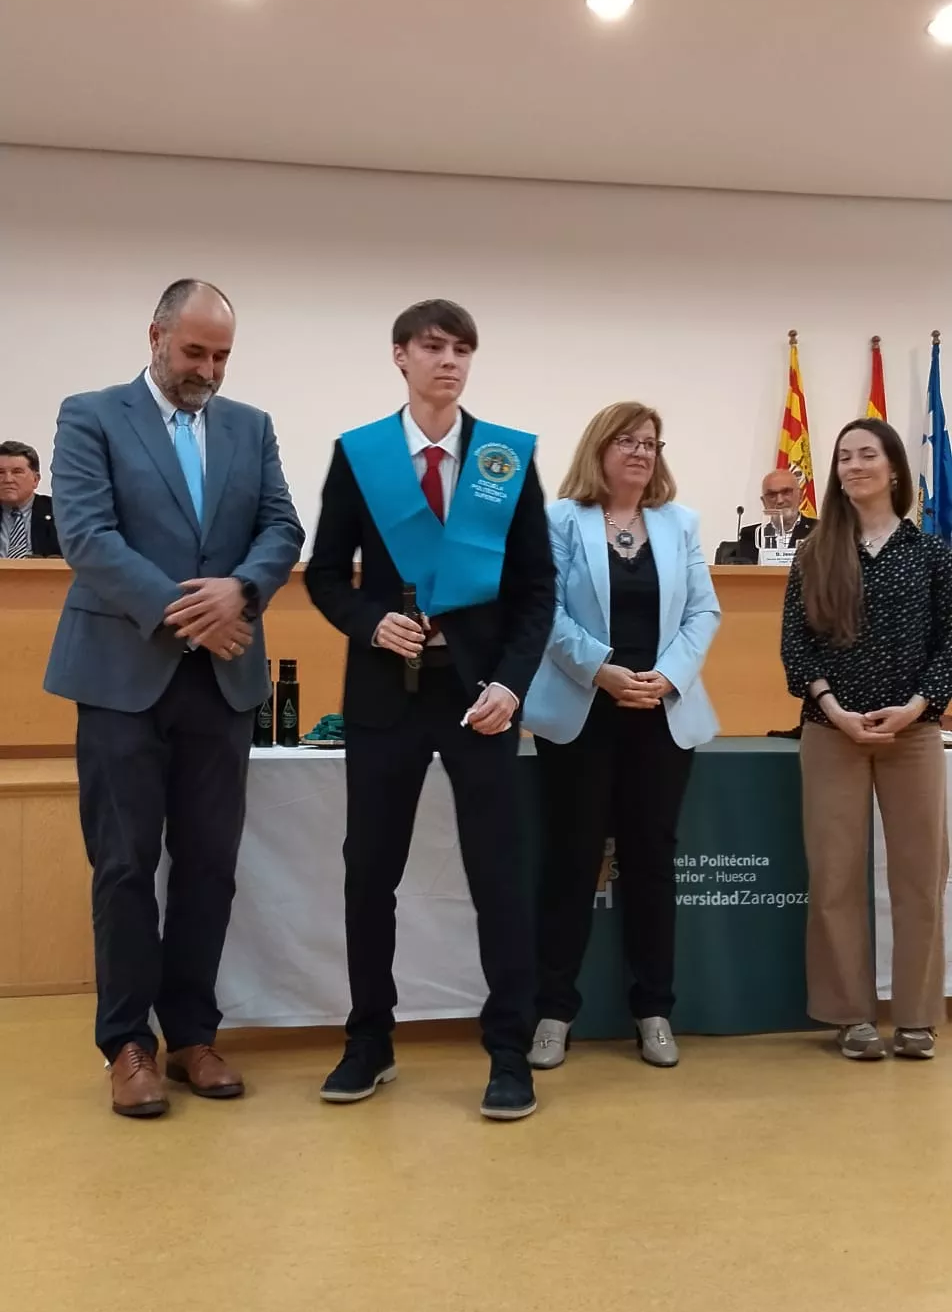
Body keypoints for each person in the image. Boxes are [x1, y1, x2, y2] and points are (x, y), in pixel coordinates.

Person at [45, 279, 304, 1118]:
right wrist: (190, 613)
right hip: (122, 679)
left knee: (208, 866)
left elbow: (282, 528)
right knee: (124, 868)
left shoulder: (250, 428)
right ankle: (128, 1044)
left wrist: (244, 587)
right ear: (155, 335)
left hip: (222, 684)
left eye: (222, 355)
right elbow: (86, 535)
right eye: (194, 351)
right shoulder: (90, 415)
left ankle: (192, 1033)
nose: (209, 369)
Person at [305, 298, 554, 1121]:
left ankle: (508, 1051)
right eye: (433, 347)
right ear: (400, 356)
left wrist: (512, 685)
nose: (450, 361)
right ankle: (368, 1041)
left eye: (463, 350)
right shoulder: (360, 455)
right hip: (385, 698)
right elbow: (322, 576)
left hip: (482, 699)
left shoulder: (505, 460)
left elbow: (535, 590)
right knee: (369, 876)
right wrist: (367, 620)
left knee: (500, 878)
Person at [524, 402, 720, 1072]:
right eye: (628, 441)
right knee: (572, 860)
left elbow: (703, 611)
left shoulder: (680, 523)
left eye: (651, 443)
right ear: (600, 449)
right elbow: (541, 610)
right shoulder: (558, 522)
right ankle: (553, 1012)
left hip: (660, 714)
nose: (641, 452)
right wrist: (601, 672)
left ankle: (654, 1010)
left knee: (651, 863)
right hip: (583, 712)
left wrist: (665, 677)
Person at [781, 418, 952, 1062]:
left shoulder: (933, 554)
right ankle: (849, 1014)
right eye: (844, 457)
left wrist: (915, 707)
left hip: (913, 733)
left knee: (919, 877)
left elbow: (951, 644)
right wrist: (831, 704)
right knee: (835, 876)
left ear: (895, 469)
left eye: (867, 455)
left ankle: (915, 1016)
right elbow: (795, 645)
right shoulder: (815, 551)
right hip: (832, 732)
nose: (854, 466)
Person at [0, 440, 61, 557]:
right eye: (0, 472)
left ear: (36, 479)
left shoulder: (60, 513)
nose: (8, 479)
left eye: (17, 472)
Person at [737, 469, 813, 561]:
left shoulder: (819, 530)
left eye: (786, 492)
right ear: (764, 502)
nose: (780, 500)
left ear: (800, 496)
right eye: (772, 495)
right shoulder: (750, 535)